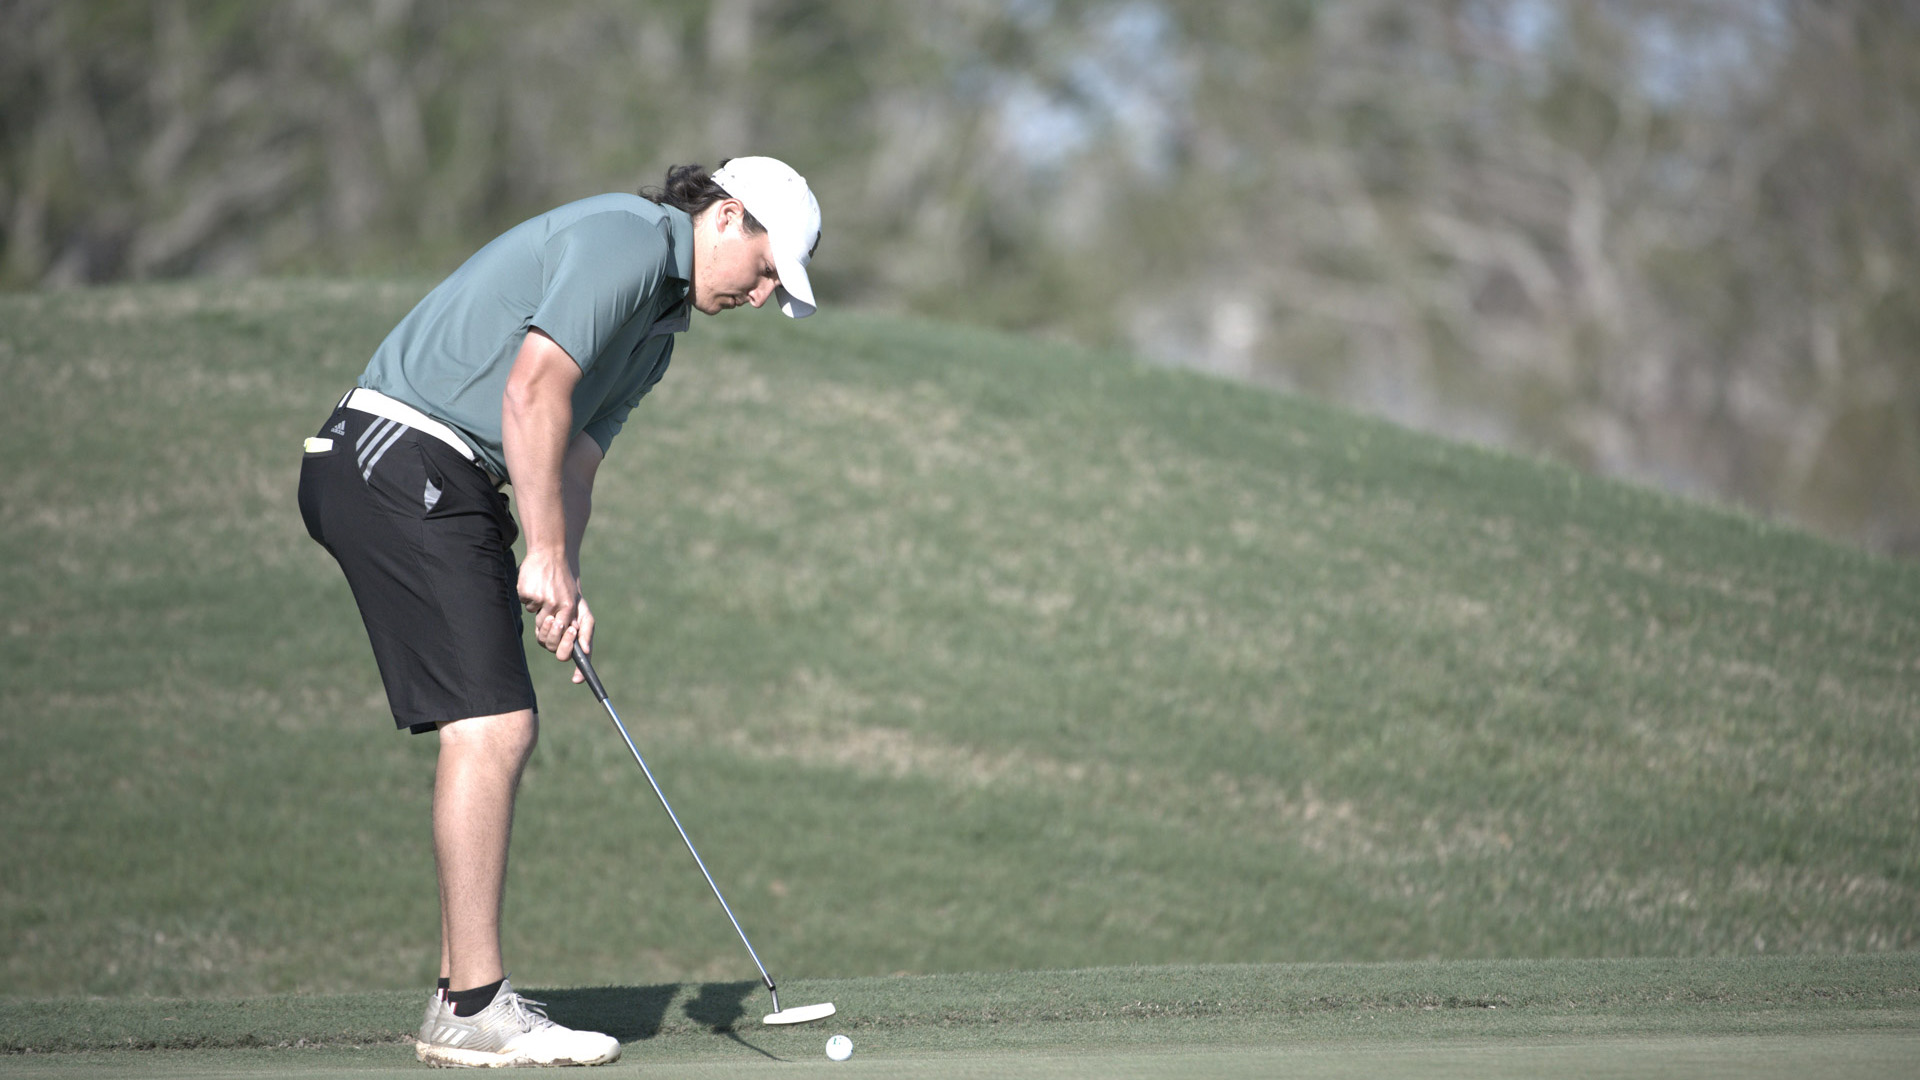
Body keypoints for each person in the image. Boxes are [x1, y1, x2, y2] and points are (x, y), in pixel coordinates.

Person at [296, 157, 821, 1068]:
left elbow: (573, 461)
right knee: (493, 727)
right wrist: (536, 554)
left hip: (444, 475)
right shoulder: (625, 240)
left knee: (494, 723)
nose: (764, 294)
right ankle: (471, 1008)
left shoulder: (657, 333)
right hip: (400, 451)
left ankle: (465, 998)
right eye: (768, 268)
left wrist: (564, 579)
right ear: (727, 217)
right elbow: (531, 392)